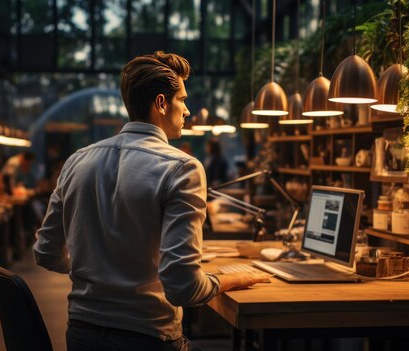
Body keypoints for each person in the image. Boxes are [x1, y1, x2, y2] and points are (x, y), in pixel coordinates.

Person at [33, 51, 269, 351]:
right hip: (147, 337)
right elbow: (183, 287)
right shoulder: (182, 168)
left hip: (82, 336)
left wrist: (97, 268)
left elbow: (46, 253)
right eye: (182, 100)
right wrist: (230, 280)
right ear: (161, 103)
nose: (187, 111)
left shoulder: (77, 161)